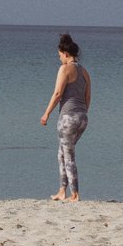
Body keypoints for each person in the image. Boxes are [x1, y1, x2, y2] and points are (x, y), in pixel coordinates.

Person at [40, 33, 91, 201]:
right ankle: (62, 190)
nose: (60, 59)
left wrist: (46, 113)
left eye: (60, 55)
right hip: (82, 117)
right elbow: (88, 96)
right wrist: (83, 113)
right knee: (62, 153)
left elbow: (57, 94)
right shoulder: (84, 72)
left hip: (68, 118)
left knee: (68, 155)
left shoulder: (64, 69)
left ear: (66, 54)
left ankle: (74, 193)